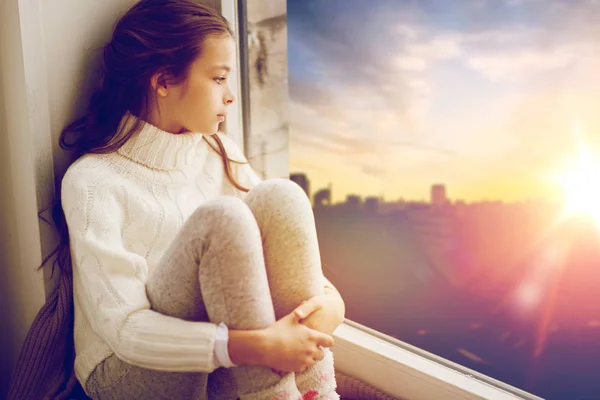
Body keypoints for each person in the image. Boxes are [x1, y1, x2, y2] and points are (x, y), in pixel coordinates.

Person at [15, 0, 346, 399]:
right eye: (219, 78)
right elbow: (127, 331)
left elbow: (292, 264)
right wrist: (258, 345)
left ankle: (318, 395)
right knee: (223, 219)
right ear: (164, 81)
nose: (231, 97)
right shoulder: (92, 182)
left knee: (282, 196)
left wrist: (330, 305)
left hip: (217, 356)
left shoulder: (216, 150)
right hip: (127, 369)